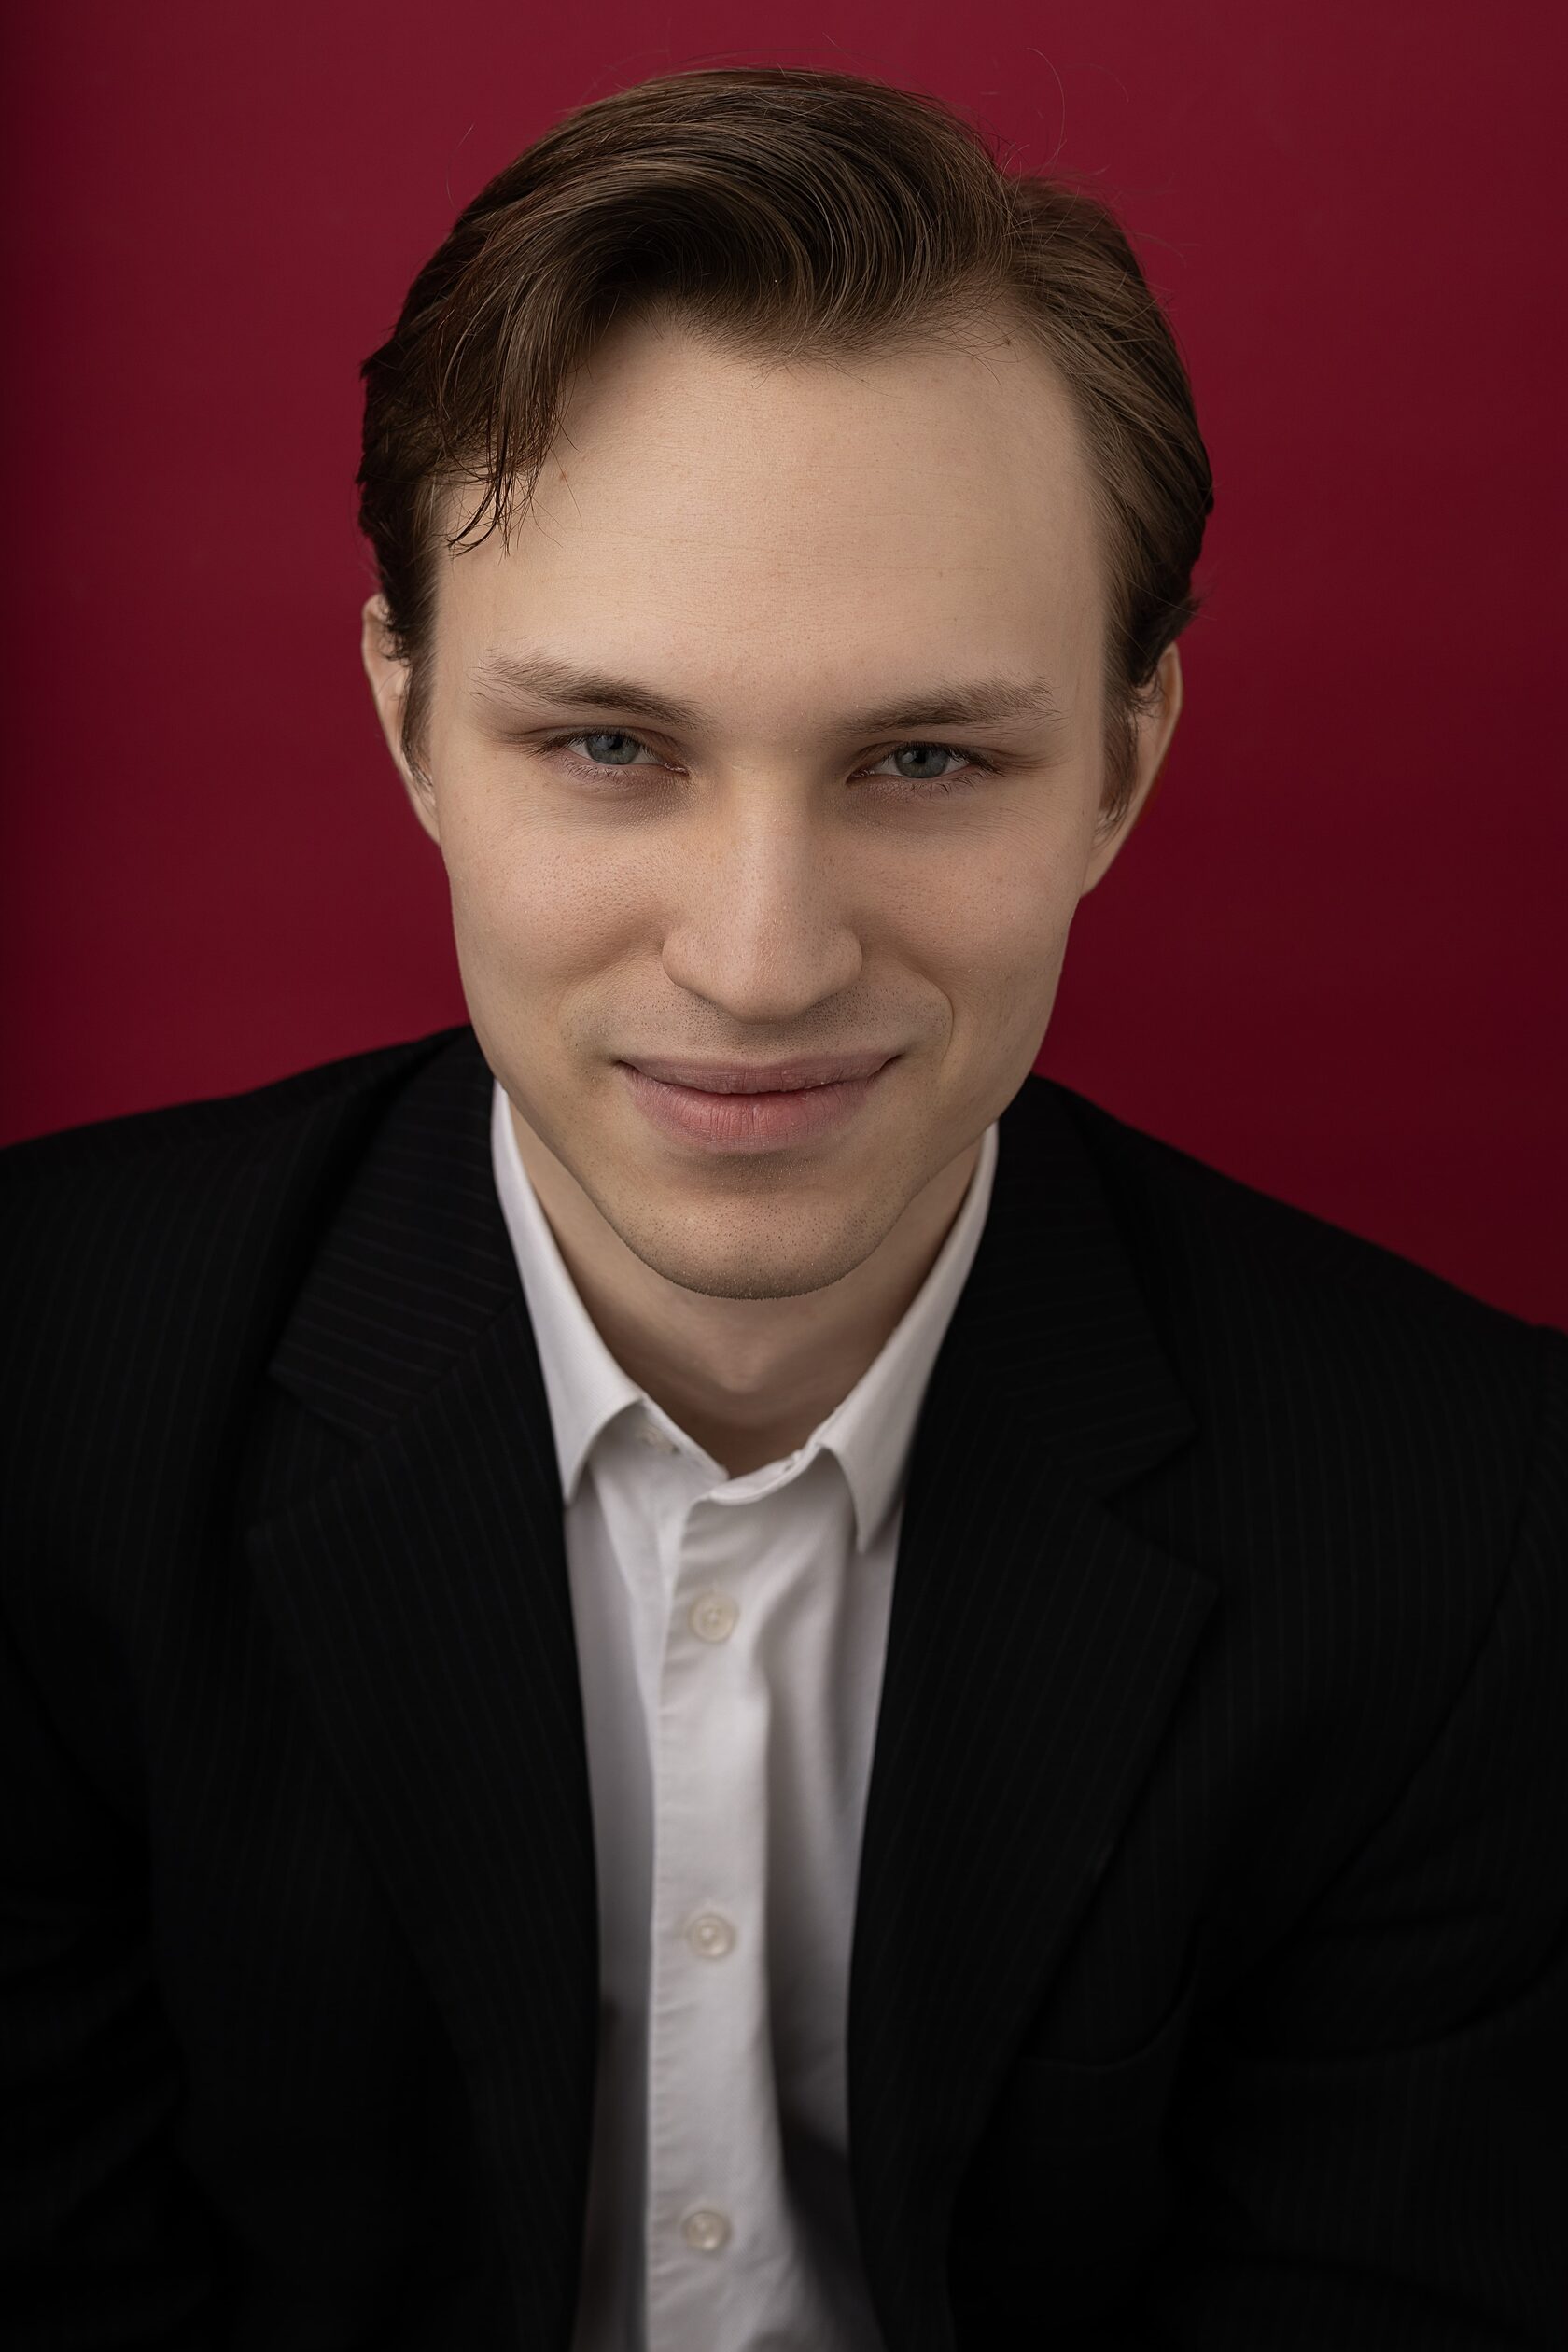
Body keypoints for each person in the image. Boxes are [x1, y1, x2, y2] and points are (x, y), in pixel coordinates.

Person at [2, 59, 1563, 2352]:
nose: (759, 961)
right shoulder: (39, 1399)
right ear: (409, 726)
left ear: (1122, 765)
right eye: (609, 746)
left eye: (924, 758)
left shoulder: (1468, 1526)